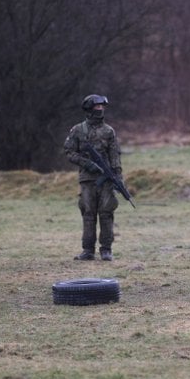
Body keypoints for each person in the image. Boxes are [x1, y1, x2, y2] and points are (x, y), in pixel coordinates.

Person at [64, 94, 124, 261]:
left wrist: (118, 177)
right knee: (88, 213)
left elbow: (114, 155)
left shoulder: (109, 131)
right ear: (89, 109)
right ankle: (88, 250)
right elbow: (69, 152)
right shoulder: (78, 130)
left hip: (106, 179)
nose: (101, 109)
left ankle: (106, 249)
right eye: (97, 107)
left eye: (102, 107)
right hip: (87, 178)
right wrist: (86, 163)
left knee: (106, 212)